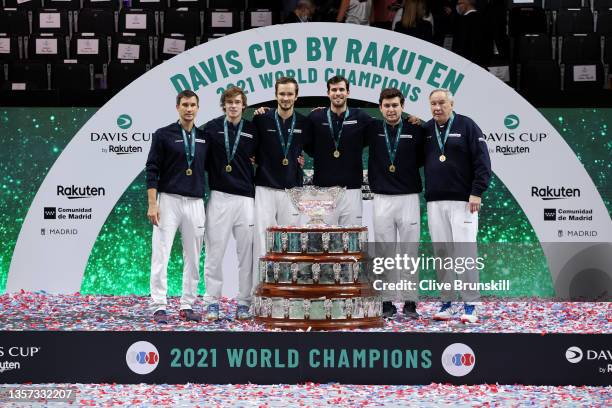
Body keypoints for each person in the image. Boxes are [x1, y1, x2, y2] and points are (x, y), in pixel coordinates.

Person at [424, 88, 491, 323]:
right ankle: (447, 303)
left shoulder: (467, 125)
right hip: (435, 202)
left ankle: (470, 305)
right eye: (433, 103)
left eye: (442, 102)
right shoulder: (426, 130)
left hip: (464, 202)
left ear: (451, 104)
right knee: (442, 255)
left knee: (464, 255)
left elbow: (482, 160)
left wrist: (476, 192)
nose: (437, 107)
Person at [145, 90, 208, 324]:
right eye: (184, 105)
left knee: (193, 257)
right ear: (177, 107)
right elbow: (152, 169)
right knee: (161, 254)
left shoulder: (204, 138)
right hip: (168, 201)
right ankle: (159, 305)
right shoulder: (163, 135)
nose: (189, 109)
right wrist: (153, 204)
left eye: (193, 105)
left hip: (195, 202)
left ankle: (187, 304)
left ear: (198, 108)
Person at [366, 88, 424, 319]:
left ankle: (410, 303)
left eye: (395, 105)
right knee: (384, 253)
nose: (391, 110)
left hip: (408, 197)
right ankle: (387, 302)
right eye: (387, 106)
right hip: (381, 199)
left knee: (410, 252)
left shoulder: (416, 128)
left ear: (403, 106)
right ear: (380, 107)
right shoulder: (371, 129)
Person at [202, 86, 258, 321]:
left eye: (237, 102)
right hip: (219, 197)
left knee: (246, 255)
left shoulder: (253, 130)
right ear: (223, 105)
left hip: (246, 198)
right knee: (214, 252)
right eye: (229, 102)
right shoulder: (212, 128)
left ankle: (244, 302)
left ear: (243, 105)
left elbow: (263, 158)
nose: (233, 106)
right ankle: (212, 302)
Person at [252, 76, 309, 291]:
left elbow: (313, 147)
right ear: (276, 95)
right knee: (262, 241)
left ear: (296, 96)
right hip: (265, 187)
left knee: (291, 242)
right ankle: (260, 290)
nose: (285, 98)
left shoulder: (304, 123)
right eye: (282, 94)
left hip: (291, 190)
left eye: (289, 94)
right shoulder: (261, 119)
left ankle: (289, 290)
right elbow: (251, 147)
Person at [304, 75, 372, 226]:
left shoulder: (361, 117)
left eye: (341, 89)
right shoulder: (315, 117)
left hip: (352, 189)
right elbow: (304, 142)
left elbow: (381, 130)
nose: (337, 93)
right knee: (326, 240)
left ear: (348, 92)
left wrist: (411, 120)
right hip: (324, 190)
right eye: (333, 90)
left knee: (352, 239)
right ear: (328, 93)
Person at [451, 0, 493, 67]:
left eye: (459, 3)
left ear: (467, 3)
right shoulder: (485, 19)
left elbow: (461, 45)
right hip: (483, 64)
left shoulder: (463, 21)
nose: (457, 6)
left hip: (466, 65)